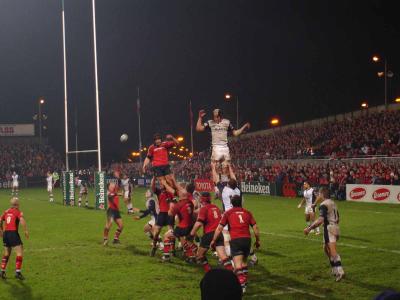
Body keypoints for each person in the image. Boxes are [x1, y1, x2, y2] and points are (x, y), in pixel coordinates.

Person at [211, 195, 260, 293]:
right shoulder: (247, 213)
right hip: (247, 240)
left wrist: (213, 240)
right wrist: (258, 240)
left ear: (231, 203)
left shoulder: (228, 213)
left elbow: (220, 228)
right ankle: (244, 282)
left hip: (236, 240)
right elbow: (255, 228)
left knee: (237, 265)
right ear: (241, 202)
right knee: (244, 262)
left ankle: (241, 286)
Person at [196, 108, 250, 181]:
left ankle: (230, 186)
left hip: (222, 148)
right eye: (213, 116)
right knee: (218, 168)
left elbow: (235, 133)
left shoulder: (227, 122)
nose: (214, 118)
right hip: (219, 148)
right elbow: (198, 128)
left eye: (215, 116)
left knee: (223, 168)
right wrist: (200, 117)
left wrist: (244, 126)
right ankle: (221, 187)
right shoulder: (210, 122)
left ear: (220, 117)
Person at [304, 187, 344, 282]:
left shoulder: (323, 204)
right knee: (326, 248)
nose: (318, 195)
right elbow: (338, 217)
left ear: (322, 194)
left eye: (319, 194)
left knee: (332, 251)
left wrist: (309, 229)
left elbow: (320, 220)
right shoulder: (333, 202)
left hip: (329, 228)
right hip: (334, 226)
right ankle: (334, 269)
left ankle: (339, 271)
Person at [190, 192, 232, 273]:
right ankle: (232, 272)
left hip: (209, 234)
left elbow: (199, 223)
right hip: (219, 234)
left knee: (200, 256)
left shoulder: (204, 209)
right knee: (223, 257)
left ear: (202, 199)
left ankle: (208, 271)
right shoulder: (216, 207)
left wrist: (192, 233)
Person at [164, 186, 197, 262]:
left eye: (178, 193)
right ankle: (191, 255)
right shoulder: (190, 202)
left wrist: (170, 204)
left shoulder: (179, 204)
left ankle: (166, 257)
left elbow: (170, 214)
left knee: (166, 236)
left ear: (181, 195)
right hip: (190, 225)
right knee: (185, 240)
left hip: (182, 227)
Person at [0, 197, 29, 280]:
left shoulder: (6, 211)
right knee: (19, 252)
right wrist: (25, 230)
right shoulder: (17, 212)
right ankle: (18, 272)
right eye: (18, 203)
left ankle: (2, 271)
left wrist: (1, 230)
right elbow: (22, 220)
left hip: (6, 234)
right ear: (16, 204)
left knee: (6, 253)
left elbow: (0, 219)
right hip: (13, 233)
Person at [149, 177, 175, 257]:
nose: (160, 184)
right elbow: (152, 187)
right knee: (156, 233)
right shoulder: (159, 191)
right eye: (160, 182)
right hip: (162, 214)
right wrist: (153, 178)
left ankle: (172, 250)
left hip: (170, 214)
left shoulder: (170, 191)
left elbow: (174, 200)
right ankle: (154, 247)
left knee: (171, 232)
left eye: (162, 182)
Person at [103, 181, 123, 246]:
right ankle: (105, 239)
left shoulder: (115, 191)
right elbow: (111, 196)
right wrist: (118, 194)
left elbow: (119, 185)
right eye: (111, 185)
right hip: (110, 211)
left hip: (116, 211)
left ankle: (115, 239)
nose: (113, 186)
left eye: (113, 185)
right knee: (109, 224)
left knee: (121, 226)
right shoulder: (109, 193)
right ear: (108, 187)